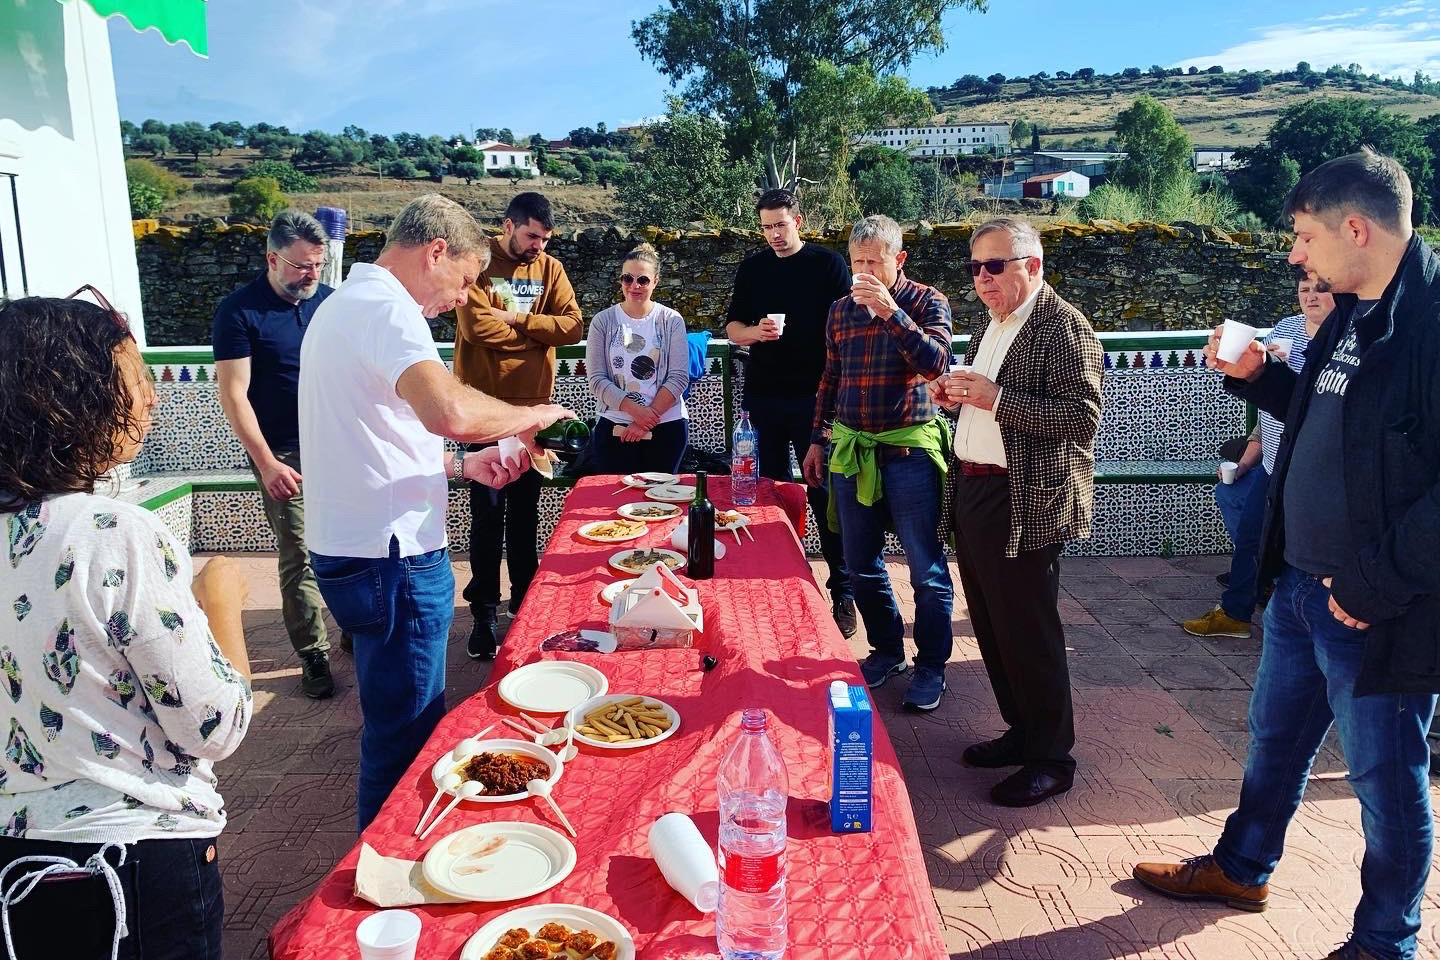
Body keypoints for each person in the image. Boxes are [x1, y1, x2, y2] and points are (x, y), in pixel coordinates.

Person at [1133, 149, 1440, 960]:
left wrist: (1373, 583)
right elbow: (1315, 415)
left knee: (1387, 787)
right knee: (1274, 743)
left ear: (1355, 227)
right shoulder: (1350, 311)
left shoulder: (1432, 325)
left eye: (1304, 236)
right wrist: (1258, 375)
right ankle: (1242, 868)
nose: (1296, 255)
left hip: (1376, 606)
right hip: (1303, 587)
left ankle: (1384, 944)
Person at [298, 194, 574, 830]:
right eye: (465, 280)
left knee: (394, 720)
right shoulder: (389, 311)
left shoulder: (344, 306)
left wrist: (458, 467)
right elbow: (446, 411)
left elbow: (376, 439)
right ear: (436, 252)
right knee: (410, 736)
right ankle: (391, 871)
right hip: (390, 559)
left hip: (356, 545)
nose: (462, 298)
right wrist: (535, 415)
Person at [0, 293, 253, 959]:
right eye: (132, 381)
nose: (150, 399)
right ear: (65, 399)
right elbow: (213, 725)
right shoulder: (112, 531)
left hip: (17, 868)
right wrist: (222, 603)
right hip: (131, 871)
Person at [929, 217, 1103, 808]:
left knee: (1029, 632)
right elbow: (990, 409)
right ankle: (1022, 732)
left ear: (1032, 265)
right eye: (975, 266)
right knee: (993, 626)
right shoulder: (997, 325)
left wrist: (995, 397)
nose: (982, 278)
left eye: (995, 265)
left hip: (1025, 499)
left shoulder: (1064, 328)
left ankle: (1052, 758)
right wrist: (956, 397)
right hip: (979, 492)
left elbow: (1083, 419)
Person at [802, 215, 955, 711]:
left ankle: (932, 666)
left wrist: (892, 313)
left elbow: (936, 364)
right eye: (858, 262)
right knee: (859, 563)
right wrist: (817, 441)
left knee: (926, 569)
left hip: (909, 452)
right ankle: (886, 650)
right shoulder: (839, 311)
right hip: (850, 448)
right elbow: (830, 377)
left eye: (875, 261)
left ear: (899, 260)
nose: (864, 271)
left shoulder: (927, 301)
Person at [213, 210, 340, 699]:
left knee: (347, 540)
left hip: (335, 445)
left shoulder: (329, 303)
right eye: (302, 266)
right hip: (283, 450)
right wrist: (266, 463)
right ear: (272, 258)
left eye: (318, 265)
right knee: (301, 552)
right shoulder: (239, 311)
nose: (312, 275)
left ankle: (352, 627)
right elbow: (234, 394)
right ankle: (313, 653)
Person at [453, 192, 583, 660]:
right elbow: (475, 329)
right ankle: (484, 611)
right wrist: (532, 335)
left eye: (545, 239)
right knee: (487, 515)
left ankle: (523, 606)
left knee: (525, 515)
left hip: (532, 415)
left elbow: (571, 327)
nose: (538, 246)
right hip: (482, 411)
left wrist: (514, 318)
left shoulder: (550, 269)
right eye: (532, 236)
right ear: (508, 225)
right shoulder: (478, 262)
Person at [726, 189, 856, 637]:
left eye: (780, 225)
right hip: (762, 396)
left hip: (816, 398)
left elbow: (849, 323)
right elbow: (732, 328)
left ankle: (843, 591)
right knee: (768, 493)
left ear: (798, 221)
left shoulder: (827, 264)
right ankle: (782, 585)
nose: (774, 235)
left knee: (824, 493)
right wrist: (756, 334)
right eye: (766, 227)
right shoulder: (753, 267)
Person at [1182, 270, 1332, 639]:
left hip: (1313, 467)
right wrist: (1261, 367)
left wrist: (1277, 370)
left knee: (1301, 549)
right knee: (1251, 536)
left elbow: (1318, 404)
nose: (1311, 297)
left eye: (1320, 289)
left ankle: (1289, 615)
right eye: (1304, 289)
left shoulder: (1345, 338)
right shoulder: (1288, 327)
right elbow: (1268, 400)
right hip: (1273, 461)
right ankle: (1237, 612)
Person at [586, 242, 690, 474]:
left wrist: (645, 420)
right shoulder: (603, 322)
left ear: (655, 282)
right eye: (627, 278)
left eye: (642, 280)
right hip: (615, 428)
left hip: (667, 427)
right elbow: (597, 379)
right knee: (615, 503)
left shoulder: (671, 320)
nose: (634, 286)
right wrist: (637, 413)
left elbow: (678, 377)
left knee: (661, 504)